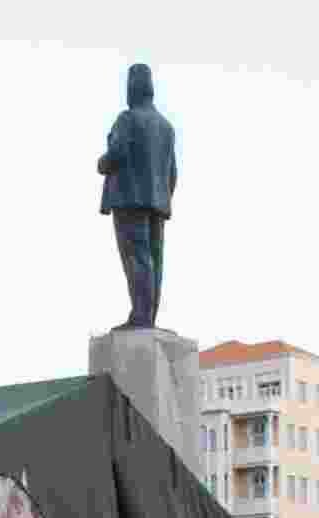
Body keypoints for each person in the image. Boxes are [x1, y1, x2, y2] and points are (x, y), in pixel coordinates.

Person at [97, 63, 177, 330]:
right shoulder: (166, 127)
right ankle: (147, 317)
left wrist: (102, 163)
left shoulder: (127, 119)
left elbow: (117, 153)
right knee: (155, 259)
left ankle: (141, 317)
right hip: (157, 203)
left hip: (129, 199)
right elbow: (173, 171)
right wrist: (163, 197)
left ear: (132, 88)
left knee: (136, 257)